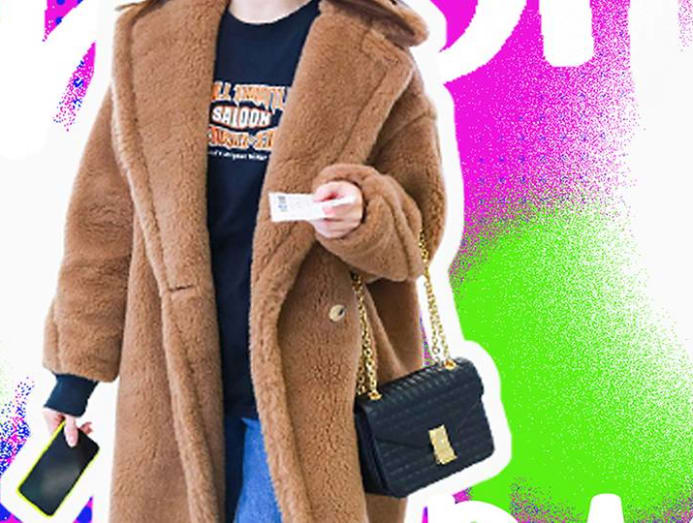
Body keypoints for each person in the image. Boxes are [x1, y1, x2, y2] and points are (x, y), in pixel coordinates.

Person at [40, 0, 447, 521]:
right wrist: (74, 378)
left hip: (310, 396)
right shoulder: (153, 39)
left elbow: (417, 234)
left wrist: (363, 214)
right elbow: (105, 225)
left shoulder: (371, 48)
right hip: (174, 389)